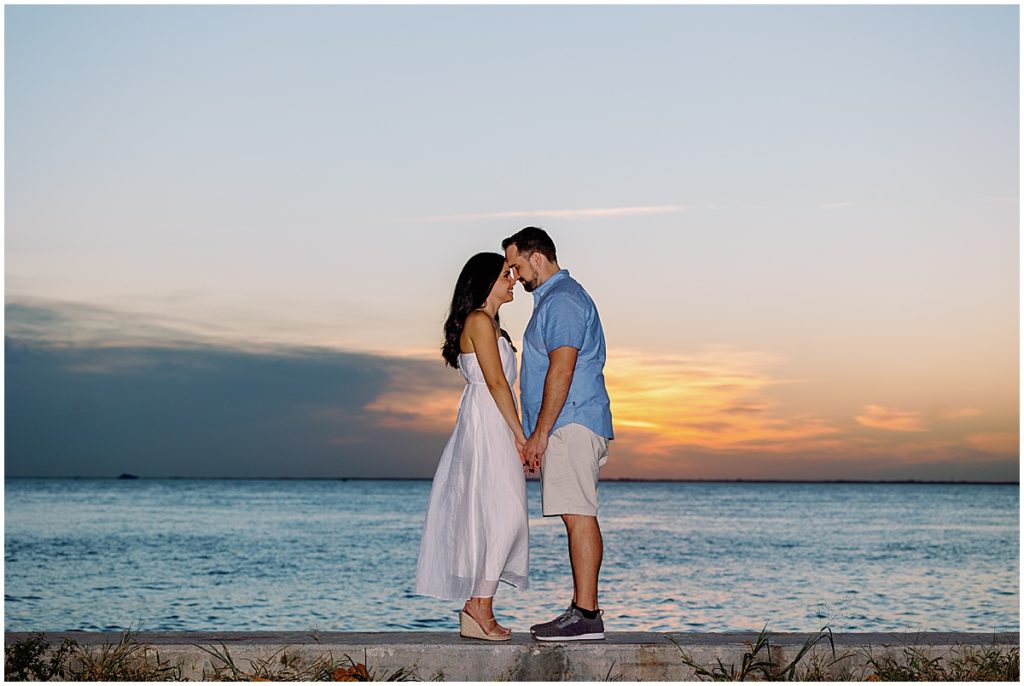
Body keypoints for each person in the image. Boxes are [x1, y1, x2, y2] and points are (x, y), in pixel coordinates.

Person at [502, 227, 614, 641]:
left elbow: (562, 368)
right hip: (567, 422)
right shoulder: (553, 299)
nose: (515, 275)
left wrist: (540, 434)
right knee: (576, 512)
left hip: (569, 422)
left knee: (578, 513)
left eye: (516, 265)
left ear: (537, 257)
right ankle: (583, 611)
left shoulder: (563, 299)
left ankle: (586, 615)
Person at [414, 252, 529, 641]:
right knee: (505, 513)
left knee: (499, 514)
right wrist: (521, 436)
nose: (512, 279)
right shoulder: (479, 321)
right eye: (504, 275)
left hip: (492, 418)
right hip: (487, 422)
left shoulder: (494, 326)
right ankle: (478, 606)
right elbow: (496, 383)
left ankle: (480, 605)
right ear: (485, 282)